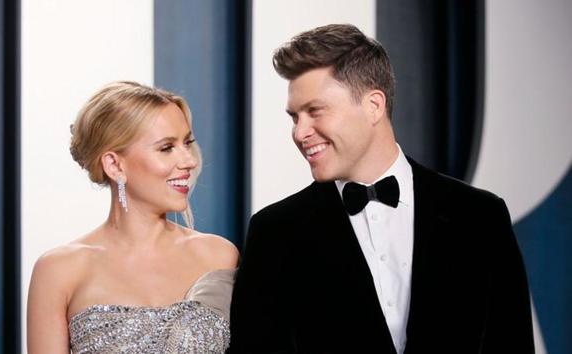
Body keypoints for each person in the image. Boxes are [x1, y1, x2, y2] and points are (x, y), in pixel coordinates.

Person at [230, 24, 534, 353]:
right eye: (294, 117)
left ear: (375, 105)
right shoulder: (274, 232)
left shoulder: (480, 215)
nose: (300, 132)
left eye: (315, 111)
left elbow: (511, 343)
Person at [27, 81, 239, 353]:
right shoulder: (59, 270)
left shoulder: (219, 256)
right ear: (115, 164)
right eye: (166, 148)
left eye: (187, 143)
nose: (189, 161)